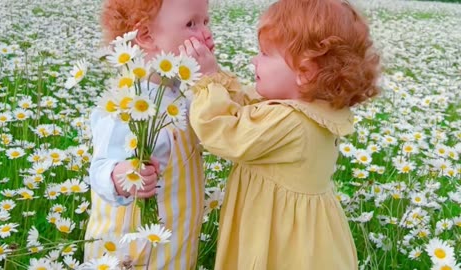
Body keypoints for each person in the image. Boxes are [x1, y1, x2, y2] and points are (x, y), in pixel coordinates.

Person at [184, 0, 381, 268]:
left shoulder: (291, 122)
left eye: (264, 54)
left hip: (276, 238)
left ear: (305, 72)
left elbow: (224, 133)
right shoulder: (309, 109)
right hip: (301, 234)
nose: (255, 60)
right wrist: (218, 76)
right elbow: (246, 108)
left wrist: (206, 81)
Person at [84, 0, 215, 269]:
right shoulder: (126, 103)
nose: (206, 33)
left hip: (173, 245)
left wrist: (212, 80)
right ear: (145, 36)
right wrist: (120, 176)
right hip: (129, 253)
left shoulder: (184, 91)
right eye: (191, 24)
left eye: (206, 21)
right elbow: (98, 170)